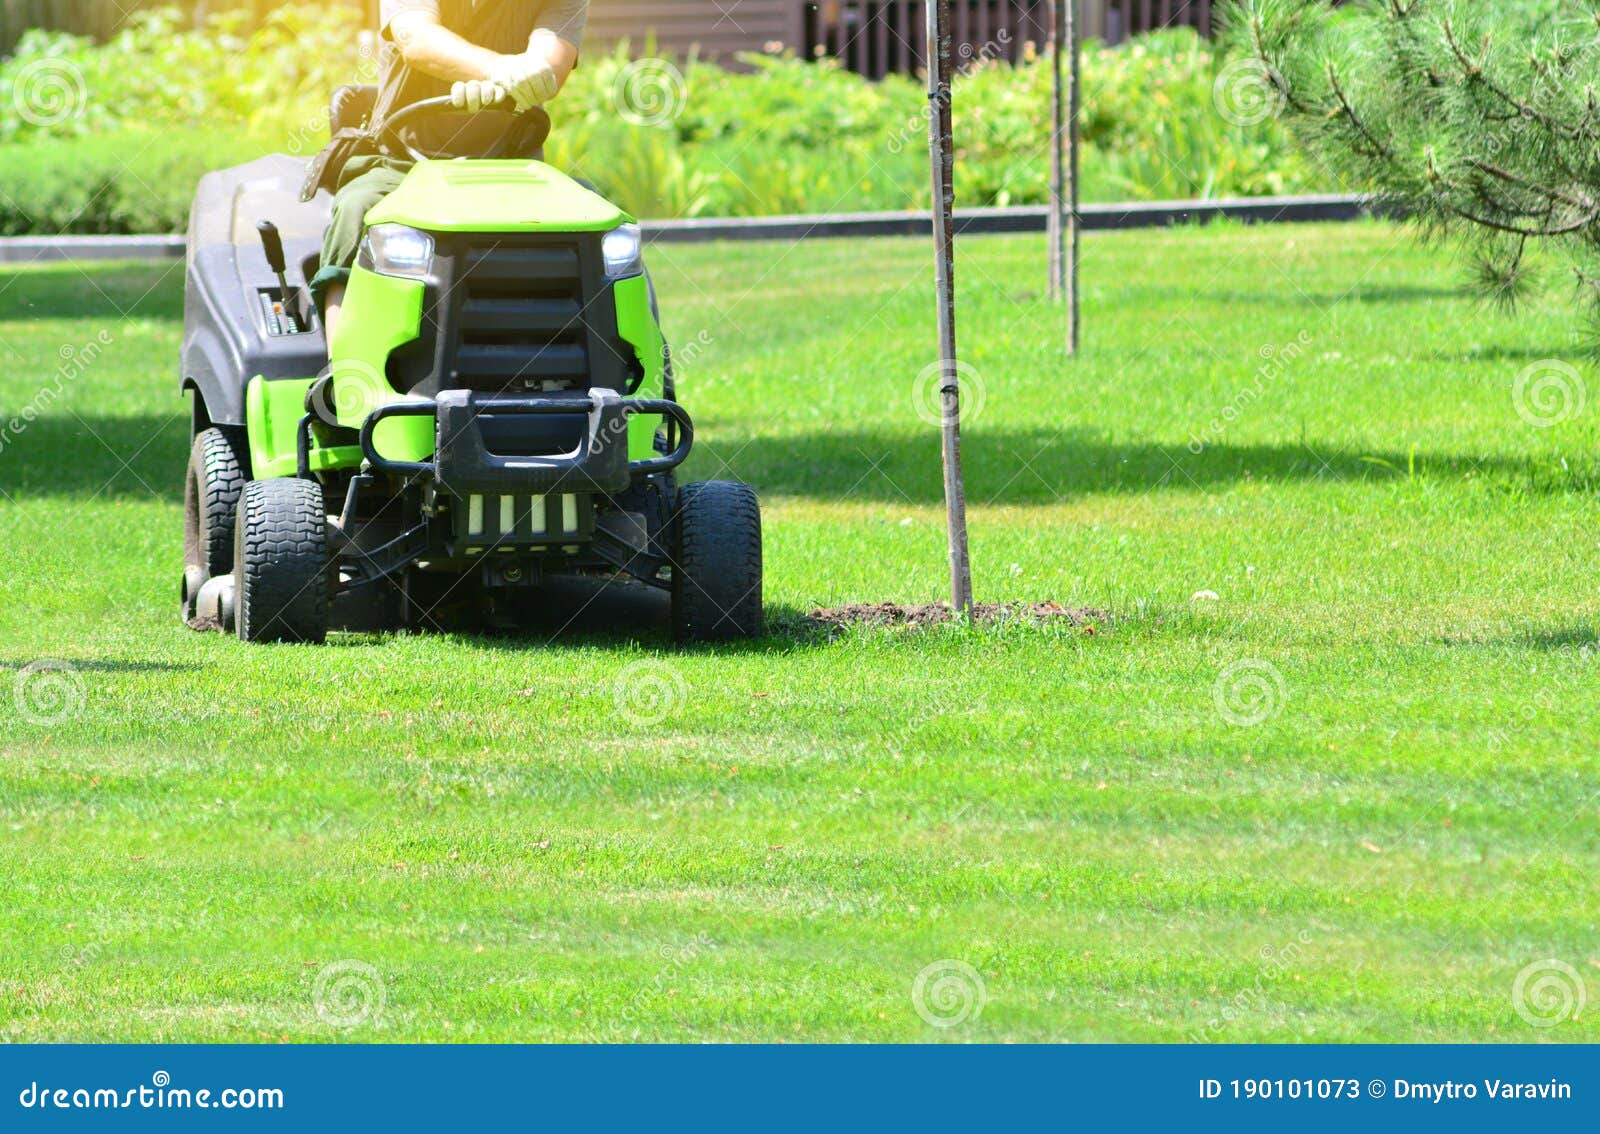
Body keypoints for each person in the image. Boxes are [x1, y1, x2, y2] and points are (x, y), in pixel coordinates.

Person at [311, 0, 590, 341]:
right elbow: (417, 39)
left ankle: (607, 368)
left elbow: (550, 63)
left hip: (513, 168)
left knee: (594, 221)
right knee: (357, 206)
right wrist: (497, 69)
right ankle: (342, 371)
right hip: (406, 162)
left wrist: (530, 73)